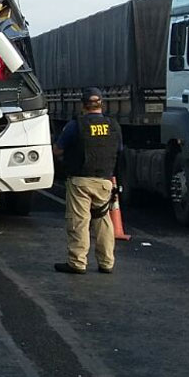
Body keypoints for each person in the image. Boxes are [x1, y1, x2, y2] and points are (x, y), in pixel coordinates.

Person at [53, 87, 122, 274]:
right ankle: (107, 262)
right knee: (103, 220)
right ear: (102, 104)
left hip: (80, 181)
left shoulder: (76, 125)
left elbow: (58, 150)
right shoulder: (113, 125)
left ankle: (77, 262)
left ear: (83, 105)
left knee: (79, 221)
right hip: (104, 180)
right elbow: (118, 150)